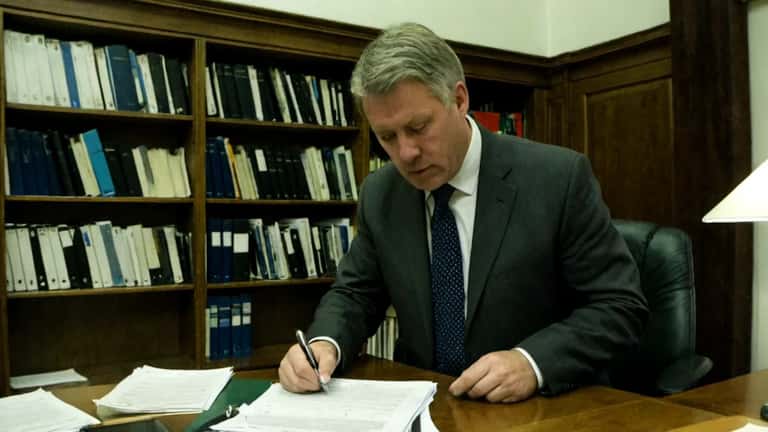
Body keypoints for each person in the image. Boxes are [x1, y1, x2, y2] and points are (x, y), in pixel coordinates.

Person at [279, 22, 648, 403]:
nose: (406, 153)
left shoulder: (557, 178)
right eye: (387, 137)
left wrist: (532, 362)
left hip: (535, 410)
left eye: (418, 127)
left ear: (458, 99)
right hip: (424, 405)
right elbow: (356, 293)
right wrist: (324, 344)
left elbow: (619, 306)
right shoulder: (381, 192)